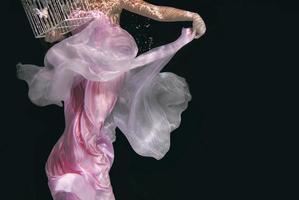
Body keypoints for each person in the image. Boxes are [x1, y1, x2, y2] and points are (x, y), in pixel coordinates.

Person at [17, 0, 206, 199]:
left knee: (88, 131)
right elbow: (59, 36)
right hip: (80, 73)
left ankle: (99, 193)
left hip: (107, 72)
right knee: (75, 133)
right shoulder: (70, 4)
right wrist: (53, 35)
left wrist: (191, 16)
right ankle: (79, 190)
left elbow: (156, 12)